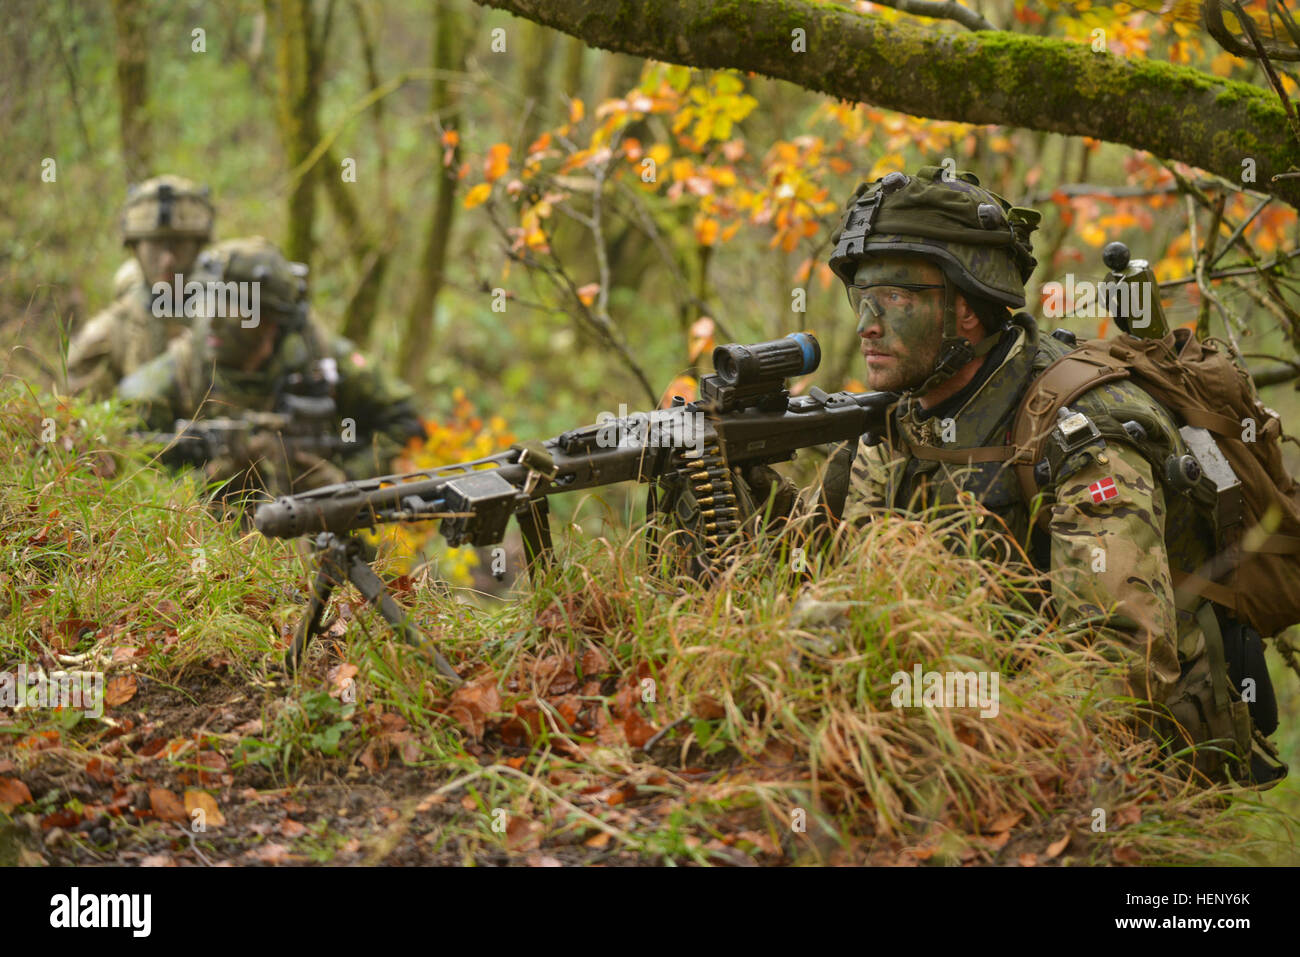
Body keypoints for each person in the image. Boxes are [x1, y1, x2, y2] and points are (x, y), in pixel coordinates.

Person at [771, 165, 1282, 785]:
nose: (866, 325)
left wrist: (943, 722)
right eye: (863, 298)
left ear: (966, 308)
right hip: (954, 735)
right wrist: (724, 480)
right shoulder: (905, 421)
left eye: (895, 299)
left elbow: (1119, 677)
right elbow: (799, 566)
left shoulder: (1086, 440)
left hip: (1125, 781)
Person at [117, 236, 424, 499]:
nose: (213, 318)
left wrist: (347, 480)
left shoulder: (320, 360)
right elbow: (133, 493)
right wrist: (209, 482)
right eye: (205, 300)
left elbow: (405, 420)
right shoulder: (165, 384)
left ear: (272, 321)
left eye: (234, 304)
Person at [67, 175, 215, 398]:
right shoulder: (105, 338)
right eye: (154, 245)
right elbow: (80, 422)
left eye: (180, 245)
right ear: (135, 248)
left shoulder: (224, 323)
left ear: (198, 248)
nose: (167, 260)